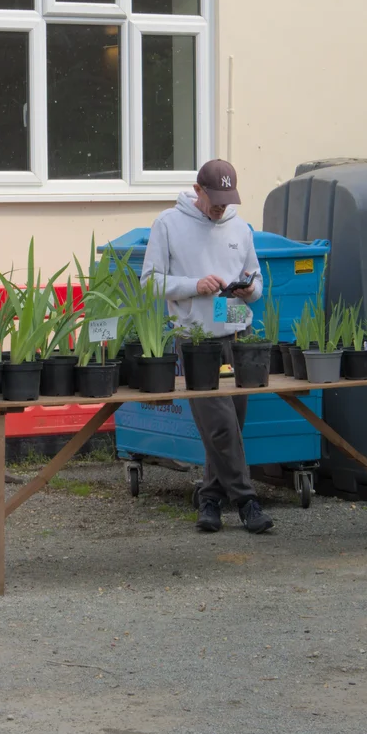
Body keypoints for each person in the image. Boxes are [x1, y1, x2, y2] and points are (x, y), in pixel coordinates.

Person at [141, 159, 273, 535]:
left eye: (226, 200)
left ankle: (210, 500)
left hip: (238, 334)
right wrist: (193, 285)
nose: (220, 207)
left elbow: (257, 280)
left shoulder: (240, 228)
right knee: (219, 426)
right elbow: (149, 282)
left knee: (232, 425)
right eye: (214, 199)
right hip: (197, 340)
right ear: (197, 191)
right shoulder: (168, 224)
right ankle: (248, 501)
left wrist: (250, 289)